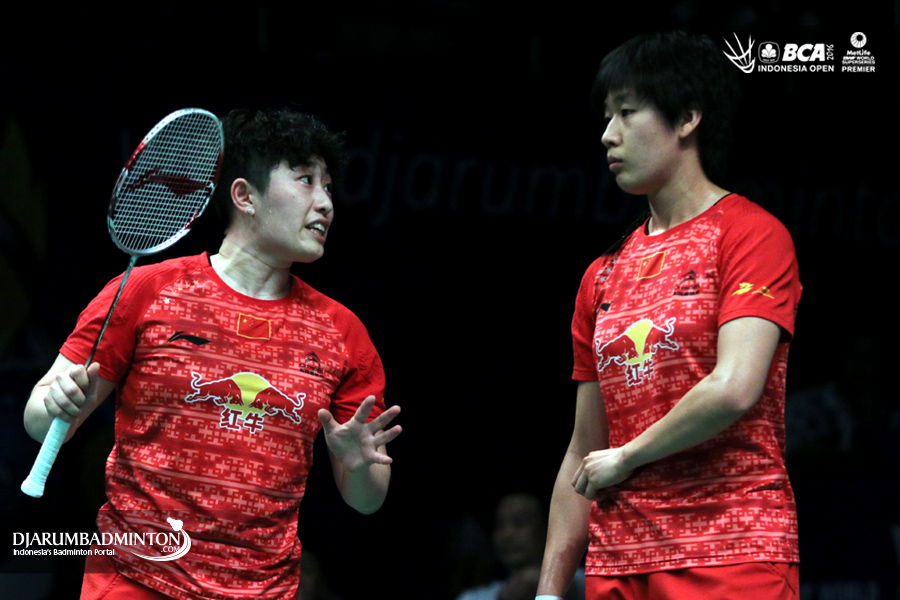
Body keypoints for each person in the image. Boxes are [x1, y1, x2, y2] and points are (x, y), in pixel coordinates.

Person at [23, 107, 402, 600]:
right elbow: (41, 420)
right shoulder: (146, 291)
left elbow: (368, 500)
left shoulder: (343, 333)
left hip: (262, 589)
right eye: (306, 180)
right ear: (244, 196)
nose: (326, 202)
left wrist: (358, 465)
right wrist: (53, 404)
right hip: (135, 580)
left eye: (329, 186)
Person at [537, 32, 802, 600]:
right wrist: (549, 591)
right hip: (619, 565)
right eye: (606, 117)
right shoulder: (602, 275)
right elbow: (583, 449)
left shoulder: (751, 236)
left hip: (732, 554)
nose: (608, 134)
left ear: (686, 118)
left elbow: (735, 387)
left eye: (627, 112)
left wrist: (627, 457)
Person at [457, 493, 584, 600]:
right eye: (499, 525)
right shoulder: (474, 597)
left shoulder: (583, 579)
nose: (507, 534)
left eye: (520, 522)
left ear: (547, 529)